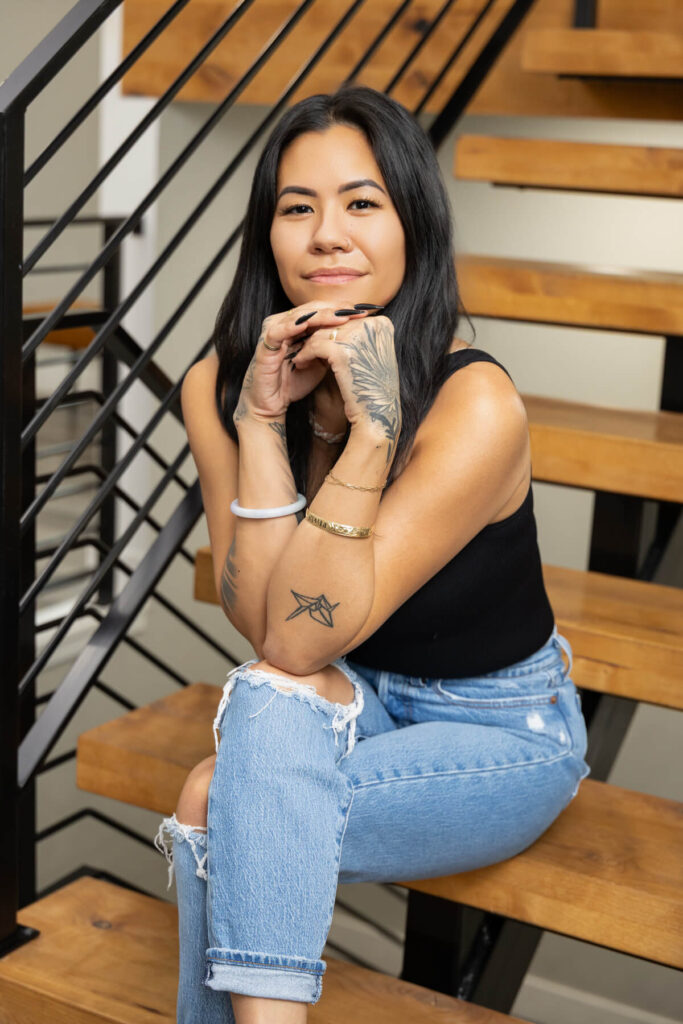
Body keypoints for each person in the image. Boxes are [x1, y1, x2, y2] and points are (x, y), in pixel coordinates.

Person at [154, 84, 590, 1024]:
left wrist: (372, 432)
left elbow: (300, 645)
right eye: (296, 207)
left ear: (412, 227)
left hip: (501, 729)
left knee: (212, 796)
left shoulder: (475, 405)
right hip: (354, 693)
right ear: (266, 235)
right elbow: (279, 632)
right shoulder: (220, 386)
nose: (325, 234)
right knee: (265, 695)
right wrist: (263, 424)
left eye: (361, 202)